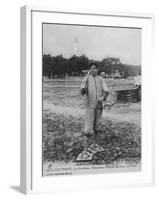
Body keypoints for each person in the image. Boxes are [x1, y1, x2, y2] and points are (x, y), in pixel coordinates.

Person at [80, 63, 109, 152]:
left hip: (99, 106)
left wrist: (103, 97)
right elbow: (82, 92)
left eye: (96, 68)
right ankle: (85, 150)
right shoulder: (86, 79)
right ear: (90, 69)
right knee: (88, 128)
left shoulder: (100, 79)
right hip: (90, 106)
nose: (95, 70)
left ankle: (94, 145)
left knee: (97, 127)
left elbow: (106, 91)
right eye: (93, 68)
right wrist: (83, 88)